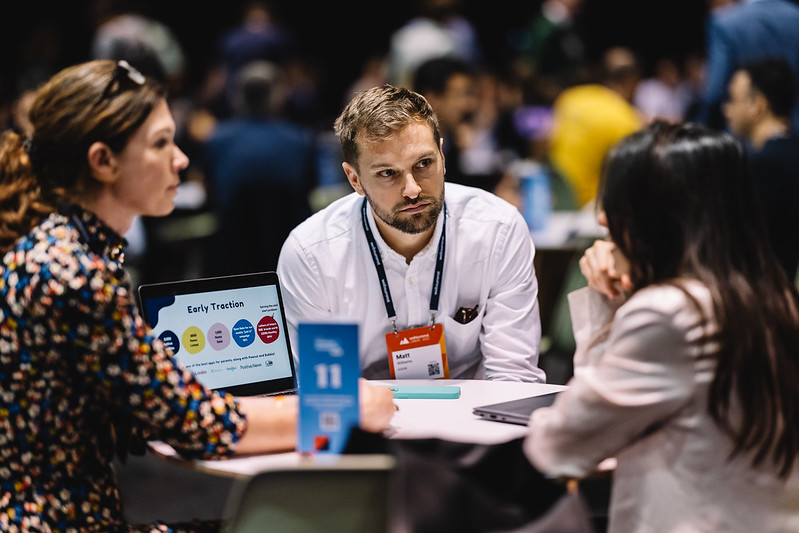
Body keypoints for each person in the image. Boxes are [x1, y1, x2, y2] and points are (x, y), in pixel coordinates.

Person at [0, 59, 395, 532]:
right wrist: (344, 408)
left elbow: (165, 407)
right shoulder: (73, 276)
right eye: (161, 143)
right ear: (103, 161)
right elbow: (201, 424)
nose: (182, 159)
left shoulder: (63, 251)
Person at [524, 121, 799, 532]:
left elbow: (562, 445)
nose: (602, 218)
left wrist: (607, 300)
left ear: (657, 216)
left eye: (618, 202)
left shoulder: (669, 313)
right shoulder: (772, 297)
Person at [277, 85, 545, 382]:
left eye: (423, 164)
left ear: (442, 156)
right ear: (355, 180)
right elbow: (326, 393)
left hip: (473, 421)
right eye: (387, 173)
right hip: (368, 425)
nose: (413, 190)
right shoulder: (312, 254)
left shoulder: (498, 231)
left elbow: (513, 378)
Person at [723, 58, 799, 281]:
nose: (726, 109)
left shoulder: (760, 165)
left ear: (758, 105)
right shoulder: (791, 151)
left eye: (732, 99)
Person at [548, 46, 642, 207]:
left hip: (555, 200)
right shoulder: (626, 118)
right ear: (630, 79)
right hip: (591, 210)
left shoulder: (569, 98)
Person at [695, 0, 799, 133]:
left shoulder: (725, 23)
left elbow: (716, 92)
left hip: (744, 138)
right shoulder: (795, 16)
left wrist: (700, 131)